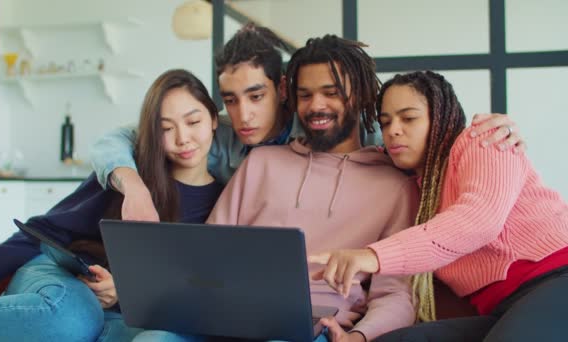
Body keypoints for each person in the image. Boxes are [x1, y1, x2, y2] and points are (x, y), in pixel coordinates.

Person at [134, 34, 418, 342]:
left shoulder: (395, 188)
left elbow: (396, 295)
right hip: (230, 313)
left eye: (330, 93)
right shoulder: (261, 162)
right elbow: (207, 255)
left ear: (361, 95)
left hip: (314, 326)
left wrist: (359, 336)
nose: (316, 106)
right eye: (305, 95)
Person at [88, 23, 522, 223]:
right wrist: (135, 187)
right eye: (230, 101)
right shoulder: (214, 134)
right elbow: (119, 138)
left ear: (280, 91)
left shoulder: (351, 138)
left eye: (255, 97)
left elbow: (422, 132)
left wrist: (483, 135)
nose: (242, 116)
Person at [0, 69, 224, 342]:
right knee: (72, 320)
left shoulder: (227, 201)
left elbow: (196, 291)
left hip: (125, 315)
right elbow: (41, 233)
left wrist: (125, 293)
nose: (183, 138)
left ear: (214, 119)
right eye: (166, 128)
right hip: (62, 276)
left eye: (193, 122)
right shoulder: (125, 176)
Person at [310, 71, 568, 342]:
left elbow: (479, 220)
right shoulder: (410, 183)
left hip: (555, 280)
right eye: (385, 123)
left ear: (443, 117)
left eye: (409, 118)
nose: (394, 130)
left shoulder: (483, 141)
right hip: (501, 309)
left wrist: (371, 257)